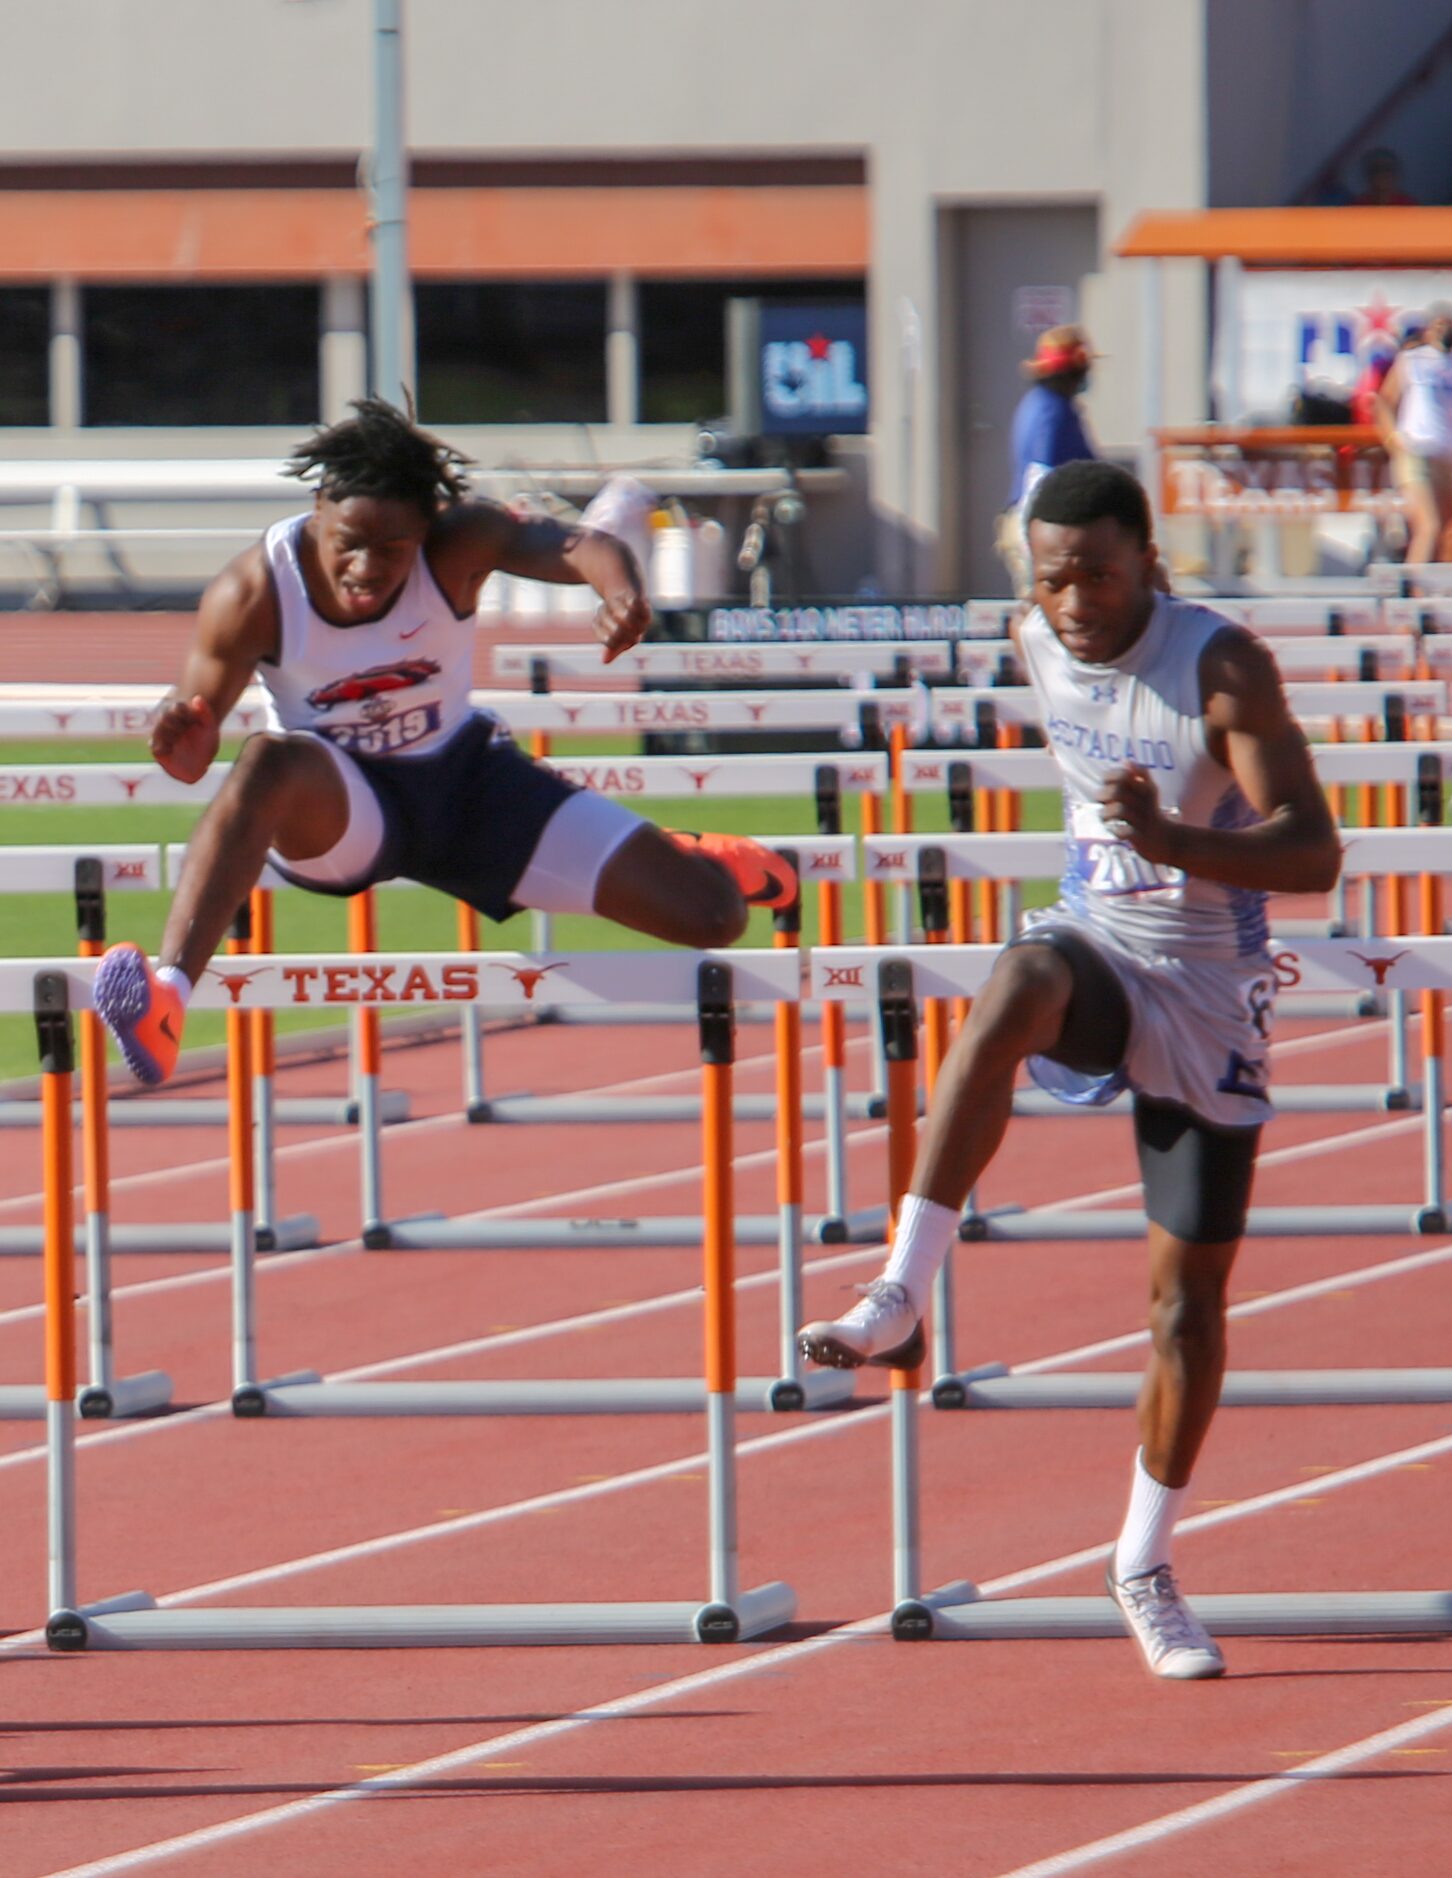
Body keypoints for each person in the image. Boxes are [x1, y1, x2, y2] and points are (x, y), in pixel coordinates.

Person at [799, 460, 1341, 1682]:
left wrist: (1174, 842)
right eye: (1053, 580)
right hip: (1094, 945)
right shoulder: (1031, 633)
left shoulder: (1221, 666)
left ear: (1149, 559)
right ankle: (900, 1290)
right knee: (1013, 985)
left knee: (1184, 1310)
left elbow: (1313, 853)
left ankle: (1142, 1564)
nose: (1076, 601)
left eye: (1099, 572)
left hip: (1206, 992)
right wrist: (1122, 860)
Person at [93, 399, 796, 1086]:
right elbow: (196, 737)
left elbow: (584, 544)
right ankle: (167, 993)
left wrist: (620, 593)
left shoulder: (461, 539)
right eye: (349, 545)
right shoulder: (253, 590)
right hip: (342, 805)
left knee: (713, 915)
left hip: (466, 785)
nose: (367, 569)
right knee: (270, 760)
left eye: (392, 549)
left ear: (426, 529)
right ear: (317, 517)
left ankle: (682, 851)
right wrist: (184, 744)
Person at [997, 325, 1099, 598]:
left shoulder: (1044, 405)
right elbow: (1040, 476)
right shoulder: (1050, 411)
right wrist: (1042, 540)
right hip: (1039, 524)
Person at [1373, 309, 1452, 565]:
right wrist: (1392, 438)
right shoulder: (1413, 360)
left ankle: (1439, 593)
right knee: (1428, 525)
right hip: (1417, 449)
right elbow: (1384, 401)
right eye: (1438, 325)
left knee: (1445, 532)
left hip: (1446, 454)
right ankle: (1414, 593)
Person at [1353, 147, 1418, 207]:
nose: (1381, 174)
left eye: (1387, 169)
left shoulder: (1409, 205)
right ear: (1368, 175)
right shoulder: (1358, 206)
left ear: (1395, 174)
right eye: (1376, 169)